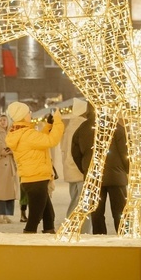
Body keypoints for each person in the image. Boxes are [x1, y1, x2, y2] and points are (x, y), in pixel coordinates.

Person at [5, 101, 64, 234]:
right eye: (28, 112)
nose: (30, 114)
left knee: (48, 214)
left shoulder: (21, 133)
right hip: (37, 178)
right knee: (34, 218)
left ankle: (49, 232)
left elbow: (39, 140)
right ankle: (28, 241)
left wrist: (49, 126)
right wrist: (58, 122)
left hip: (31, 178)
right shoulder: (27, 134)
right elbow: (51, 141)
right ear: (22, 116)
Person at [72, 102, 129, 235]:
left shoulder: (82, 128)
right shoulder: (116, 126)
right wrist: (126, 170)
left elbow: (75, 153)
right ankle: (124, 236)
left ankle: (100, 237)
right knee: (120, 211)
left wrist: (85, 169)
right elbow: (125, 152)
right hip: (116, 177)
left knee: (97, 213)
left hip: (93, 177)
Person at [61, 99, 91, 233]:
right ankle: (80, 229)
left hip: (70, 169)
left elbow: (63, 149)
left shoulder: (70, 126)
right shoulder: (83, 126)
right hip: (80, 170)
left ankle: (71, 226)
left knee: (75, 199)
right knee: (83, 202)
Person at [0, 114, 18, 223]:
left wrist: (12, 151)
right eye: (1, 120)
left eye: (4, 120)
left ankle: (6, 214)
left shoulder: (12, 135)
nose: (3, 122)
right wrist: (0, 153)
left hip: (10, 165)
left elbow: (17, 148)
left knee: (9, 191)